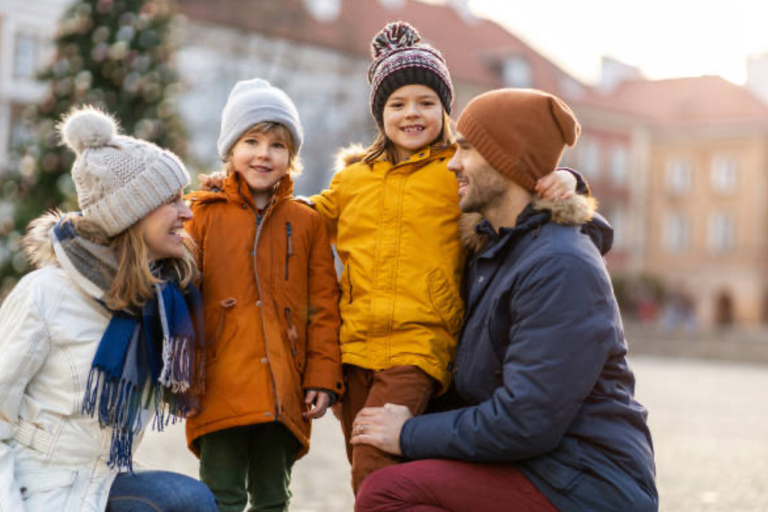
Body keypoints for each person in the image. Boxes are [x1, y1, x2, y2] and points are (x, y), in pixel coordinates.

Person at [351, 89, 658, 512]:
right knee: (390, 476)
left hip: (582, 484)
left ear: (507, 161)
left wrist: (408, 433)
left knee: (388, 493)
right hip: (538, 465)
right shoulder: (495, 251)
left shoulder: (560, 266)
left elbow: (526, 421)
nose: (453, 162)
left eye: (468, 149)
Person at [306, 22, 580, 494]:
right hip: (353, 346)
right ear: (380, 114)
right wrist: (254, 197)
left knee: (375, 462)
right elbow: (308, 219)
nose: (412, 113)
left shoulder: (454, 170)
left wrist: (571, 179)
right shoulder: (353, 181)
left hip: (418, 344)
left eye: (426, 102)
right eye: (398, 104)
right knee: (367, 464)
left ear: (445, 109)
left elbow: (516, 178)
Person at [0, 107, 217, 512]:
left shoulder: (160, 302)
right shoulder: (46, 293)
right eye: (172, 201)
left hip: (99, 485)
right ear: (131, 214)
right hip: (36, 491)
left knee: (190, 500)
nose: (187, 212)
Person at [183, 78, 344, 512]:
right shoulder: (200, 214)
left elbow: (324, 308)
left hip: (283, 386)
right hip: (220, 381)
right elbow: (179, 292)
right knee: (222, 495)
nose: (263, 153)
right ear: (230, 150)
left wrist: (323, 377)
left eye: (277, 144)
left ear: (290, 156)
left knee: (273, 497)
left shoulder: (305, 222)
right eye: (251, 140)